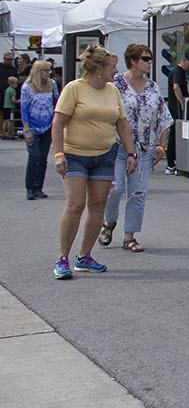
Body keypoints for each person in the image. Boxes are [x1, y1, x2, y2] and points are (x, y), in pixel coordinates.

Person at [50, 45, 139, 280]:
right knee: (76, 204)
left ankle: (84, 256)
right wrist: (59, 154)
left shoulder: (112, 91)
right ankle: (62, 258)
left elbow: (122, 124)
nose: (116, 70)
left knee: (98, 204)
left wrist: (131, 153)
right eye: (112, 66)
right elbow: (58, 123)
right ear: (99, 69)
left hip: (104, 155)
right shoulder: (74, 89)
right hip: (75, 154)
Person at [100, 44, 172, 253]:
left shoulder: (152, 87)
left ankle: (129, 236)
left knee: (138, 192)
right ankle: (109, 222)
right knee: (115, 188)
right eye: (145, 58)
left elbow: (163, 116)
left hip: (144, 148)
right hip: (118, 146)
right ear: (132, 61)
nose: (149, 62)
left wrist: (161, 146)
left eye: (149, 58)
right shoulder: (115, 84)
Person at [21, 60, 58, 200]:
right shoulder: (27, 87)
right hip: (32, 127)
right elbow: (24, 109)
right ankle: (30, 187)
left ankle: (38, 187)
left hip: (47, 127)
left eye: (49, 70)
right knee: (34, 156)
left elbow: (56, 103)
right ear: (38, 71)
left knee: (43, 158)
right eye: (45, 70)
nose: (48, 73)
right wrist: (27, 129)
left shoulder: (52, 85)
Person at [164, 57, 189, 175]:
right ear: (184, 61)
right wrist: (182, 103)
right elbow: (176, 87)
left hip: (174, 106)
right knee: (175, 134)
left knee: (176, 133)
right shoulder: (178, 71)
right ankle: (171, 163)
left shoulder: (177, 71)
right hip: (176, 108)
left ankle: (173, 162)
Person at [2, 75, 17, 140]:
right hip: (10, 107)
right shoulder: (13, 90)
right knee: (10, 121)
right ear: (11, 83)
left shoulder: (7, 90)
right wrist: (18, 101)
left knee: (5, 120)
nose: (16, 85)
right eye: (16, 83)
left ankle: (3, 133)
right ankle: (9, 134)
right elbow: (13, 100)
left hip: (5, 106)